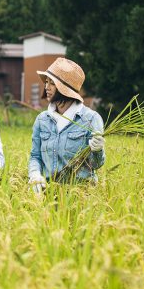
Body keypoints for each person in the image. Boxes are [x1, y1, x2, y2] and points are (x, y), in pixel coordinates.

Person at [28, 57, 105, 192]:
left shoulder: (90, 119)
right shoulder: (42, 120)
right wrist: (35, 174)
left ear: (65, 89)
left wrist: (98, 150)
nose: (46, 87)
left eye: (52, 83)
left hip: (81, 195)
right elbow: (35, 156)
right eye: (46, 82)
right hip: (48, 193)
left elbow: (95, 165)